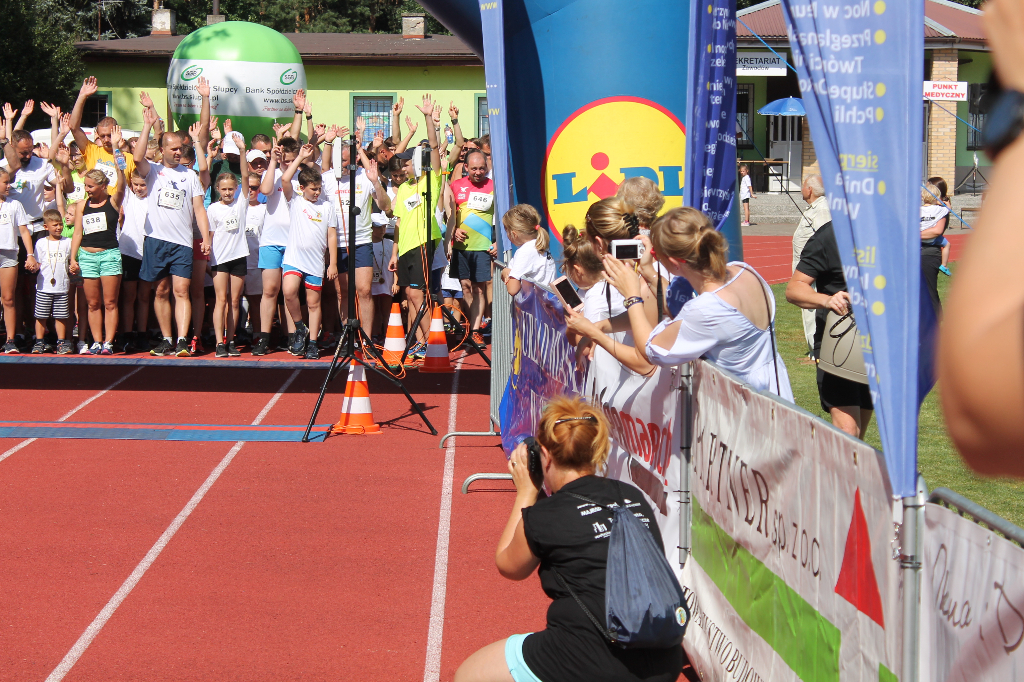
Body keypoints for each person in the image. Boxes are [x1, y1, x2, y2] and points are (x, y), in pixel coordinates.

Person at [454, 396, 684, 682]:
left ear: (545, 456)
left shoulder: (546, 515)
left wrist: (526, 492)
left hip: (589, 659)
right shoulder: (633, 497)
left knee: (469, 674)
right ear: (596, 450)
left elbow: (508, 565)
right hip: (662, 657)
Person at [571, 208, 793, 399]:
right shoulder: (744, 270)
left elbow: (650, 351)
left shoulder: (708, 309)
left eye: (657, 254)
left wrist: (631, 297)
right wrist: (648, 271)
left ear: (674, 263)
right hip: (775, 389)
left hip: (746, 405)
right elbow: (678, 306)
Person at [133, 107, 211, 357]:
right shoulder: (153, 171)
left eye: (180, 148)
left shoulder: (190, 176)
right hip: (156, 240)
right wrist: (147, 126)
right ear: (163, 149)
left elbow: (199, 209)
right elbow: (136, 158)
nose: (178, 152)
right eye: (174, 149)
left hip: (182, 243)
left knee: (181, 290)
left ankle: (182, 340)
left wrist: (205, 238)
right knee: (161, 291)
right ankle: (166, 338)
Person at [786, 219, 871, 437]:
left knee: (859, 434)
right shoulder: (829, 235)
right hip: (838, 341)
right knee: (848, 431)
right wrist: (827, 300)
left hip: (875, 343)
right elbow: (794, 289)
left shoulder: (890, 232)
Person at [389, 95, 444, 357]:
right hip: (406, 248)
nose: (403, 167)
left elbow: (433, 147)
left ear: (417, 163)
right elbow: (399, 222)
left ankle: (432, 343)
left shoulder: (430, 180)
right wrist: (394, 252)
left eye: (407, 163)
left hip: (424, 242)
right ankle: (421, 342)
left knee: (419, 295)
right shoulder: (402, 189)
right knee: (410, 295)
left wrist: (427, 118)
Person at [325, 127, 391, 344]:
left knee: (364, 290)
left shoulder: (365, 176)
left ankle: (366, 339)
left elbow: (386, 206)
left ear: (353, 160)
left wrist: (376, 182)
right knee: (343, 292)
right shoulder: (327, 179)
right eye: (337, 161)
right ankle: (348, 337)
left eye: (344, 161)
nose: (340, 165)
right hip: (336, 243)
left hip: (361, 241)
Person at [279, 144, 339, 359]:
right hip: (294, 258)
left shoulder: (327, 206)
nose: (317, 192)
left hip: (315, 261)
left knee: (314, 303)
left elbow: (331, 235)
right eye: (313, 189)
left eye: (319, 188)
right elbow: (285, 179)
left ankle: (313, 342)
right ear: (302, 187)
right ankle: (299, 327)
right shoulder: (295, 201)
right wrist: (301, 157)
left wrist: (332, 263)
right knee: (289, 291)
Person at [69, 150, 126, 355]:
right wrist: (73, 258)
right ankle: (96, 341)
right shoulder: (82, 205)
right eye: (85, 186)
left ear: (102, 186)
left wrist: (120, 168)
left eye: (90, 186)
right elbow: (77, 233)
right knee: (92, 303)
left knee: (109, 302)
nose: (87, 190)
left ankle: (109, 342)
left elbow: (122, 187)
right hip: (87, 256)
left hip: (109, 255)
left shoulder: (113, 201)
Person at [255, 136, 303, 356]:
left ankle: (292, 336)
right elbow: (265, 191)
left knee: (290, 292)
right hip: (271, 241)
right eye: (285, 160)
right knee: (269, 290)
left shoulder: (301, 177)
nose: (288, 164)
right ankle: (264, 338)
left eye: (291, 160)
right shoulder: (272, 173)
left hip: (294, 242)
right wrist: (273, 161)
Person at [206, 132, 251, 358]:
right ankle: (218, 342)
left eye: (230, 189)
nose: (227, 192)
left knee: (234, 301)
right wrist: (207, 254)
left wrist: (243, 151)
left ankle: (231, 340)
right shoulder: (213, 209)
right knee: (221, 300)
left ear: (235, 189)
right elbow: (210, 234)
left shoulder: (241, 203)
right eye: (223, 189)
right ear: (218, 189)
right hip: (219, 258)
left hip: (238, 255)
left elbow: (245, 175)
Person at [449, 148, 495, 344]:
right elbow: (448, 215)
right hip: (461, 248)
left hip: (483, 247)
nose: (478, 172)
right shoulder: (456, 186)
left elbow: (504, 216)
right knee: (466, 288)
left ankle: (475, 330)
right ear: (466, 167)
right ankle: (471, 325)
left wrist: (498, 242)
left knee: (478, 289)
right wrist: (453, 231)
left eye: (482, 168)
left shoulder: (493, 186)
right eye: (474, 168)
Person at [68, 78, 136, 193]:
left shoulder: (129, 159)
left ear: (118, 132)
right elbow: (74, 127)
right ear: (97, 135)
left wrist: (115, 145)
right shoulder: (92, 151)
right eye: (102, 136)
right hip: (94, 202)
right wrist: (82, 96)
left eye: (109, 135)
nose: (106, 139)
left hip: (117, 203)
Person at [792, 174, 831, 357]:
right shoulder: (814, 208)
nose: (801, 189)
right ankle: (814, 349)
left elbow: (824, 240)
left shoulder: (822, 209)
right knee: (807, 311)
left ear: (809, 190)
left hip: (813, 272)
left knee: (812, 310)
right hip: (805, 270)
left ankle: (818, 350)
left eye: (803, 186)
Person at [0, 168, 37, 354]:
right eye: (5, 182)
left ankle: (10, 340)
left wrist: (30, 254)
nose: (9, 186)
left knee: (8, 298)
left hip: (8, 254)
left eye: (9, 182)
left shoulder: (14, 204)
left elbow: (23, 231)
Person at [31, 210, 73, 354]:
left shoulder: (67, 242)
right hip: (44, 287)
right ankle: (39, 342)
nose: (59, 227)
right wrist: (33, 266)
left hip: (61, 287)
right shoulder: (41, 243)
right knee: (41, 316)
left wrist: (73, 266)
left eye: (60, 224)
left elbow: (71, 261)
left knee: (61, 316)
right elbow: (38, 263)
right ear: (46, 227)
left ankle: (61, 342)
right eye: (55, 225)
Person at [119, 168, 148, 353]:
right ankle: (127, 334)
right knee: (129, 296)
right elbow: (121, 178)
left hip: (148, 252)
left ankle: (143, 334)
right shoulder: (128, 197)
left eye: (142, 185)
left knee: (144, 297)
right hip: (129, 251)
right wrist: (119, 161)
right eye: (135, 184)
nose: (138, 188)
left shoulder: (153, 199)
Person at [500, 203, 556, 296]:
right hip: (546, 301)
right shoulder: (539, 244)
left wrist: (505, 272)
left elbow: (512, 289)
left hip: (535, 303)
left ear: (514, 234)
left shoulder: (524, 252)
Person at [242, 168, 267, 346]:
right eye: (247, 187)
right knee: (233, 301)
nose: (251, 190)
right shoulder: (236, 207)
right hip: (236, 262)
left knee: (256, 301)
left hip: (255, 262)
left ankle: (258, 334)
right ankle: (234, 334)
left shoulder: (264, 210)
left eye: (254, 187)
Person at [920, 182, 949, 316]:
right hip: (918, 251)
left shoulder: (936, 211)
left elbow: (937, 231)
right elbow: (947, 208)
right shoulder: (940, 209)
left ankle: (935, 319)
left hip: (929, 252)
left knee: (929, 289)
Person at [370, 221, 397, 341]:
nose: (382, 230)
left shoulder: (390, 243)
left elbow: (396, 265)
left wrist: (396, 282)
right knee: (374, 309)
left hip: (387, 282)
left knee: (387, 310)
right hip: (372, 284)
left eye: (384, 227)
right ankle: (375, 334)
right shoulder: (366, 244)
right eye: (378, 227)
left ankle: (388, 334)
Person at [927, 176, 953, 276]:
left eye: (927, 188)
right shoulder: (934, 205)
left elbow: (937, 231)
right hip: (928, 245)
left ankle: (944, 265)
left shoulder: (941, 206)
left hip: (932, 247)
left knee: (947, 244)